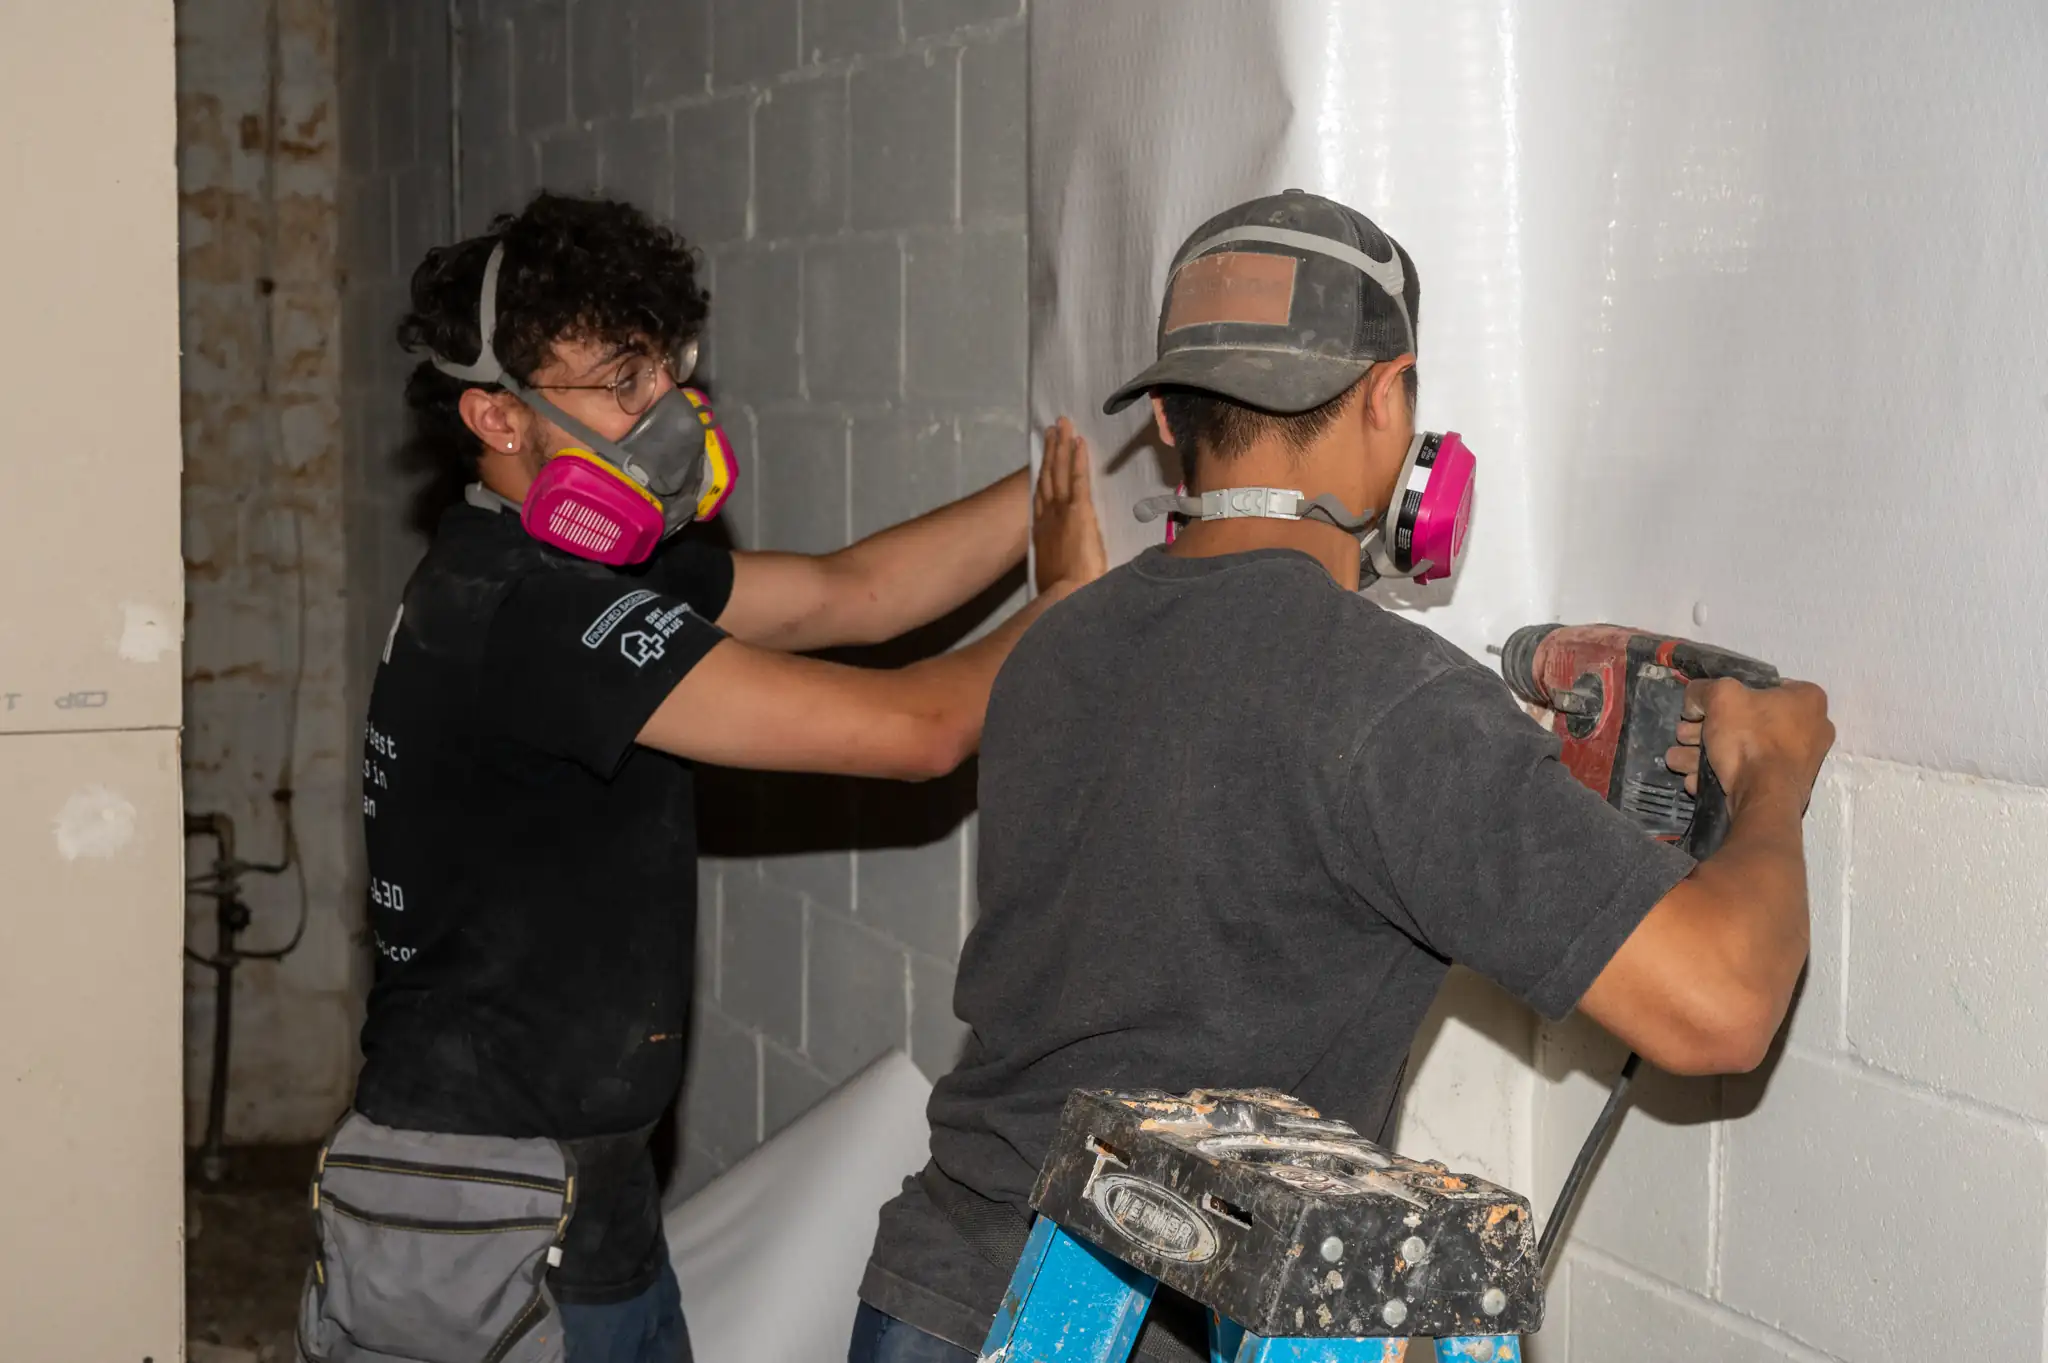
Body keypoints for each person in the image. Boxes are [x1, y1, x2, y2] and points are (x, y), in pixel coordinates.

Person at [850, 189, 1834, 1361]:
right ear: (1388, 400)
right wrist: (1766, 772)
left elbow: (1212, 847)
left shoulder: (1054, 648)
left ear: (1167, 419)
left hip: (937, 1299)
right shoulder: (1384, 699)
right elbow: (1720, 1007)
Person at [317, 192, 1107, 1363]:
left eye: (665, 374)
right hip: (486, 1217)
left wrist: (1064, 476)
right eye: (618, 383)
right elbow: (917, 732)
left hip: (587, 1205)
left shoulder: (537, 572)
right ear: (496, 413)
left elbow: (855, 593)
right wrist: (1074, 606)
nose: (662, 415)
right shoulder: (530, 620)